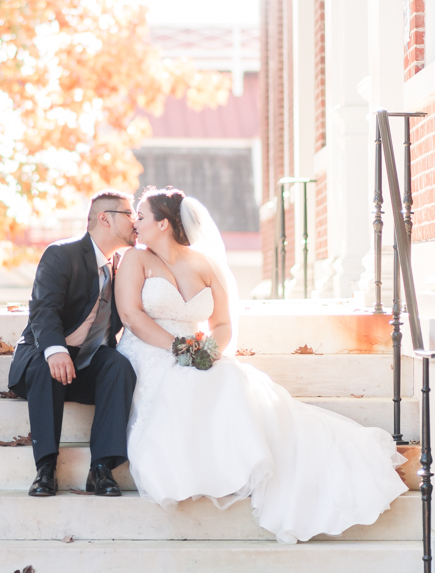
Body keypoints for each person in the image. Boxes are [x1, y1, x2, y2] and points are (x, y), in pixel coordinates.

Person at [114, 187, 407, 543]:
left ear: (162, 224)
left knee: (231, 377)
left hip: (194, 350)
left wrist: (208, 351)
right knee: (180, 385)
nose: (135, 224)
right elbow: (131, 315)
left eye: (141, 217)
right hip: (149, 348)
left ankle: (255, 461)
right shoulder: (135, 259)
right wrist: (177, 348)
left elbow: (222, 324)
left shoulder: (203, 264)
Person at [9, 190, 139, 498]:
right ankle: (45, 468)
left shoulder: (124, 265)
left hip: (90, 366)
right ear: (105, 218)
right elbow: (44, 309)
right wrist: (56, 350)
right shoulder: (62, 254)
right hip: (46, 361)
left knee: (119, 366)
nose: (136, 222)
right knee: (46, 362)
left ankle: (102, 469)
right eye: (130, 214)